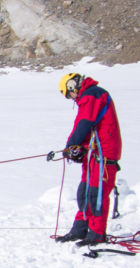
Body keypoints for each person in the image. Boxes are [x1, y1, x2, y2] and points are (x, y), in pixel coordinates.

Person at [53, 72, 123, 247]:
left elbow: (85, 122)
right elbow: (85, 125)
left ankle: (96, 234)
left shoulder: (92, 94)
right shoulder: (88, 97)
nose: (72, 98)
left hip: (104, 153)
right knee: (84, 191)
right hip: (93, 152)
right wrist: (78, 149)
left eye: (70, 94)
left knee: (96, 194)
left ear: (72, 86)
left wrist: (72, 145)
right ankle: (80, 230)